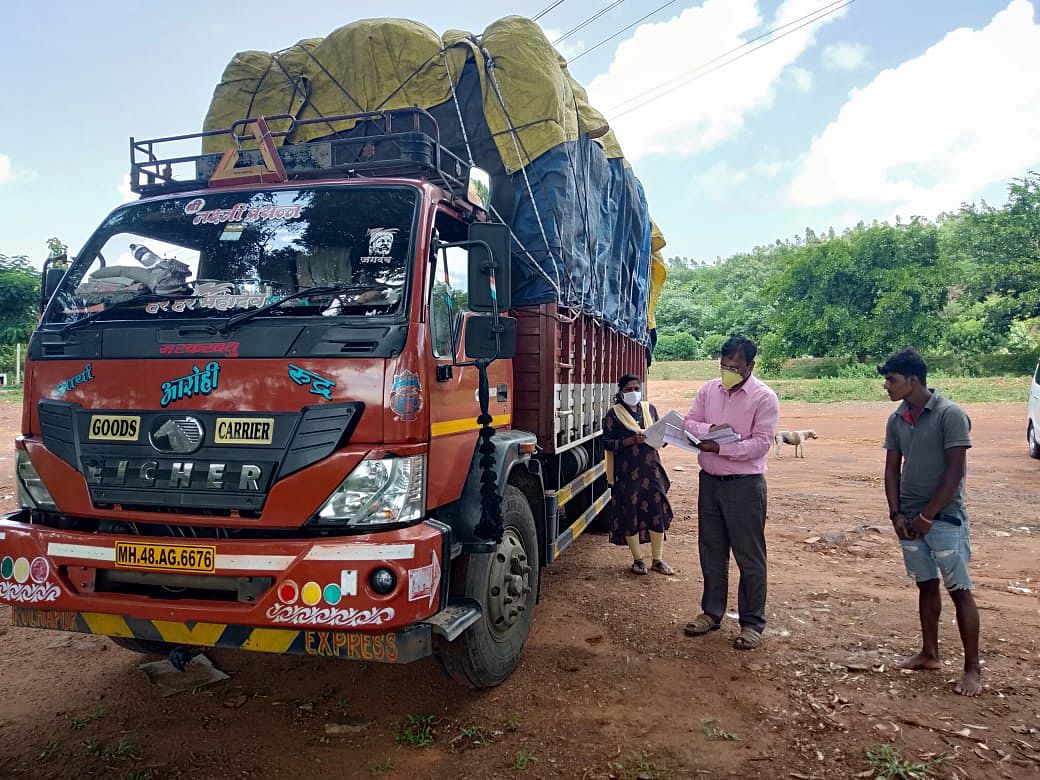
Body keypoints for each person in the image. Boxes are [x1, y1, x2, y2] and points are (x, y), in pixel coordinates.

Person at [879, 348, 982, 696]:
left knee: (959, 590)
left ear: (913, 380)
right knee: (925, 584)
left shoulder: (950, 414)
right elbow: (892, 469)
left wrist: (928, 515)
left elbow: (955, 472)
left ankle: (972, 669)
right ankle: (930, 653)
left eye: (891, 379)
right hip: (909, 518)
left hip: (944, 517)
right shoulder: (897, 419)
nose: (886, 386)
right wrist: (896, 514)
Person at [682, 336, 778, 650]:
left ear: (751, 365)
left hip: (745, 486)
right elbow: (690, 422)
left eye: (735, 367)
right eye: (724, 366)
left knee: (749, 556)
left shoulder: (764, 398)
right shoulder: (710, 390)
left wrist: (721, 447)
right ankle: (711, 612)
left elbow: (762, 443)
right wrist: (708, 431)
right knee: (711, 550)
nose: (728, 372)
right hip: (709, 483)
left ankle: (752, 623)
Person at [602, 374, 675, 575]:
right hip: (628, 473)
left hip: (652, 470)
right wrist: (629, 441)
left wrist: (660, 438)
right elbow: (607, 442)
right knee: (631, 511)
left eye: (636, 388)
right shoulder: (614, 414)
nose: (633, 392)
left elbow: (663, 436)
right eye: (628, 389)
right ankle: (638, 560)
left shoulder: (649, 409)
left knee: (656, 510)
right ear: (621, 392)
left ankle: (658, 559)